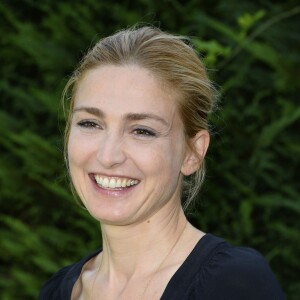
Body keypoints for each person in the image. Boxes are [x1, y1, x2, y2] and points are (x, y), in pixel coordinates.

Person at [39, 25, 285, 299]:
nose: (108, 156)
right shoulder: (58, 291)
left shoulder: (232, 284)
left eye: (142, 130)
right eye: (90, 123)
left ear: (192, 152)